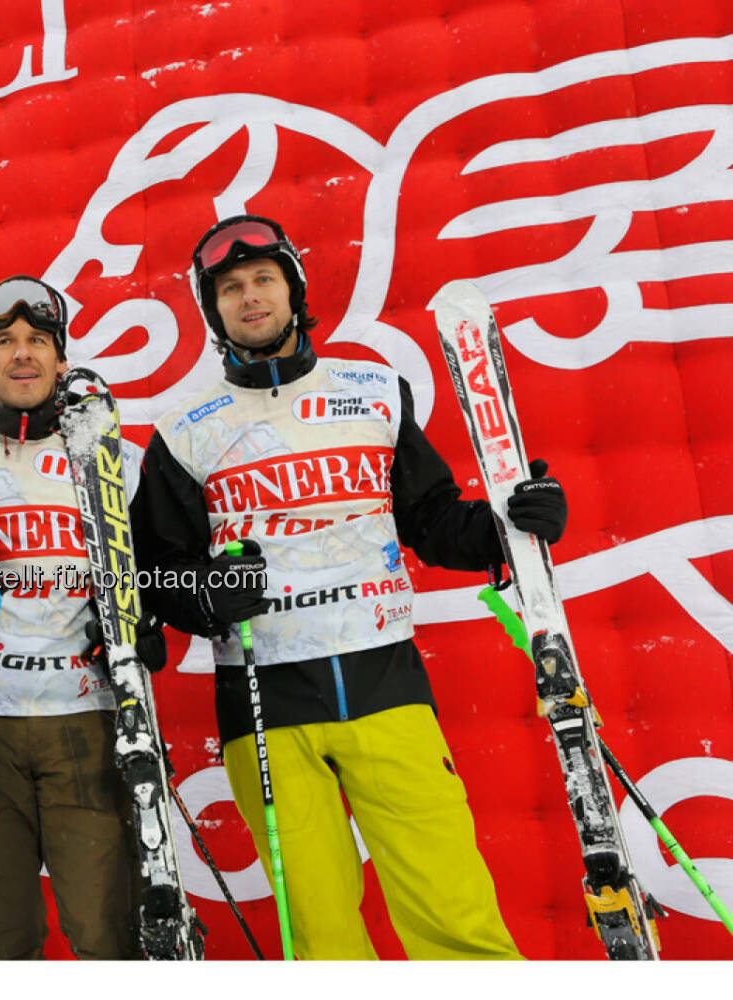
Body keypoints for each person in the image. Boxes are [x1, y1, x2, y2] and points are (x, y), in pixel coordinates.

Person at [131, 215, 567, 960]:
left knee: (451, 904)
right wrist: (206, 597)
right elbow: (153, 572)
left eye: (264, 279)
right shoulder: (184, 431)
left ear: (294, 291)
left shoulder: (372, 392)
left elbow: (430, 520)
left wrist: (509, 524)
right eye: (230, 288)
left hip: (384, 682)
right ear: (214, 312)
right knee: (322, 930)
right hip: (265, 701)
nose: (250, 297)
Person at [0, 275, 153, 960]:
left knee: (107, 932)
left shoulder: (115, 459)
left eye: (37, 341)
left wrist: (147, 623)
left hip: (86, 718)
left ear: (61, 359)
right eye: (3, 342)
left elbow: (159, 574)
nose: (21, 355)